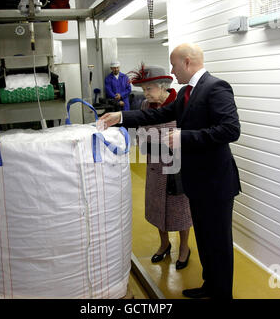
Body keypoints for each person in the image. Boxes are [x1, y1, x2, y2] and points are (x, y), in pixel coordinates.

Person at [99, 43, 241, 299]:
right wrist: (119, 117)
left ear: (187, 62)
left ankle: (223, 295)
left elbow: (231, 130)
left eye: (174, 65)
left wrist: (184, 137)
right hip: (197, 182)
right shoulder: (188, 92)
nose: (172, 72)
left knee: (218, 244)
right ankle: (210, 287)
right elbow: (158, 114)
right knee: (207, 241)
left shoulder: (216, 87)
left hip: (216, 183)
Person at [128, 64, 192, 270]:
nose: (146, 94)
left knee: (181, 210)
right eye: (144, 90)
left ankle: (184, 247)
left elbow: (189, 135)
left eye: (149, 89)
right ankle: (164, 244)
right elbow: (141, 134)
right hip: (155, 165)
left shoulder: (181, 103)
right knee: (157, 208)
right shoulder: (146, 107)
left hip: (178, 167)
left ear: (163, 86)